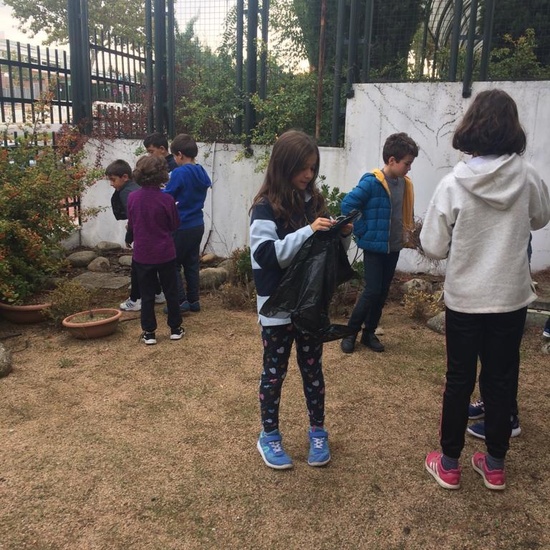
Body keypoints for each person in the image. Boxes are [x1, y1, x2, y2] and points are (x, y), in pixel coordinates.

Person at [421, 89, 550, 491]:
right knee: (500, 380)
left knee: (459, 380)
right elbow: (540, 217)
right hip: (509, 299)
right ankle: (494, 465)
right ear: (513, 129)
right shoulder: (527, 176)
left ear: (470, 127)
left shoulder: (452, 183)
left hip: (464, 300)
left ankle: (449, 464)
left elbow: (433, 245)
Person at [249, 129, 352, 470]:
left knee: (312, 371)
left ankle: (318, 432)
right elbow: (266, 256)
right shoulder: (264, 208)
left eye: (313, 167)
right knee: (274, 374)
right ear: (283, 166)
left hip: (309, 307)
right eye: (302, 168)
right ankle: (269, 436)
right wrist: (308, 231)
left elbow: (324, 259)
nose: (309, 175)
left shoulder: (315, 203)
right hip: (277, 308)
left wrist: (340, 236)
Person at [340, 133, 418, 354]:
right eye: (407, 163)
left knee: (382, 292)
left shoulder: (405, 184)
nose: (409, 168)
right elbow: (347, 205)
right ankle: (350, 333)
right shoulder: (372, 183)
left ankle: (369, 333)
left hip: (393, 247)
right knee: (372, 291)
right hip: (374, 248)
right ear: (392, 160)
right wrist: (362, 232)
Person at [127, 155, 184, 345]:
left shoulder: (132, 197)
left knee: (147, 294)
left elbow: (132, 225)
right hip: (165, 252)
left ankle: (149, 332)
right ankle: (175, 328)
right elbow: (175, 224)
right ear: (162, 174)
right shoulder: (167, 199)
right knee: (171, 291)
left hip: (142, 254)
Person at [106, 159, 165, 312]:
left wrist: (129, 236)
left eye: (113, 180)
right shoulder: (136, 188)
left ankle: (135, 299)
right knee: (149, 265)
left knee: (138, 267)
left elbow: (134, 217)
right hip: (152, 232)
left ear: (125, 177)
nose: (111, 184)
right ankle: (158, 293)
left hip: (142, 235)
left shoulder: (127, 193)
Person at [164, 134, 212, 313]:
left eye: (174, 157)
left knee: (173, 263)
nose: (174, 160)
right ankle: (194, 300)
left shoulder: (179, 172)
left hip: (181, 224)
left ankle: (179, 301)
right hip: (197, 223)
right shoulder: (201, 171)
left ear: (180, 154)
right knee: (191, 264)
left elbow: (169, 196)